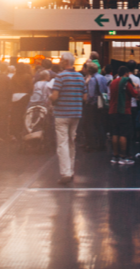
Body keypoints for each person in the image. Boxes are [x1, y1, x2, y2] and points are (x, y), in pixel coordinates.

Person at [50, 52, 86, 184]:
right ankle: (70, 170)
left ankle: (65, 172)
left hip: (61, 113)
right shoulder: (81, 77)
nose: (59, 62)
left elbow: (54, 96)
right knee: (71, 141)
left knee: (62, 143)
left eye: (61, 60)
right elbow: (85, 97)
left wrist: (50, 98)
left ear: (65, 62)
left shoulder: (60, 77)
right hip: (76, 113)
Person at [107, 65, 139, 165]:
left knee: (115, 133)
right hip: (124, 110)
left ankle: (115, 156)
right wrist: (136, 88)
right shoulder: (126, 81)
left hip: (113, 110)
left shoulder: (113, 82)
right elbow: (134, 94)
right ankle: (123, 157)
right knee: (123, 134)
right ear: (126, 73)